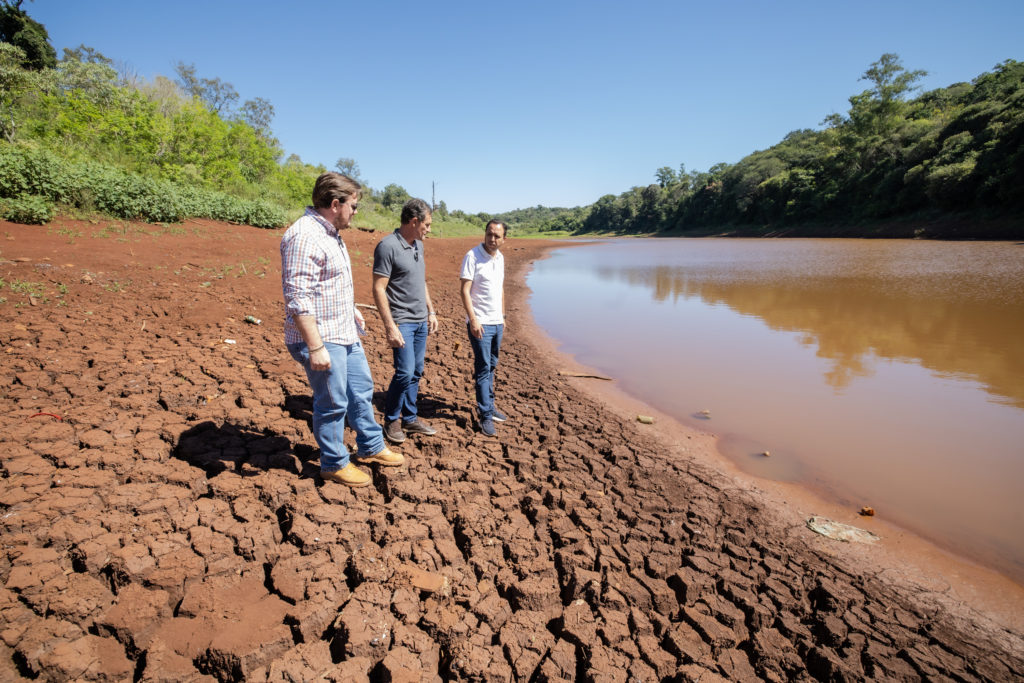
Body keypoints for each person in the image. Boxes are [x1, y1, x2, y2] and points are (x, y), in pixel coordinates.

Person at [281, 172, 404, 488]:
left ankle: (371, 446)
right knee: (332, 401)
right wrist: (316, 347)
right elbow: (298, 298)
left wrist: (350, 311)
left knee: (360, 390)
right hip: (322, 336)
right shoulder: (304, 236)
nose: (356, 212)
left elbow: (328, 282)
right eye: (354, 205)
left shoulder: (330, 232)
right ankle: (333, 463)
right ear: (335, 204)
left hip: (343, 329)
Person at [372, 198, 439, 444]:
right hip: (402, 321)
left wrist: (431, 311)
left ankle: (410, 418)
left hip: (421, 320)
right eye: (427, 225)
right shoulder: (387, 246)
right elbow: (379, 289)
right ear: (414, 221)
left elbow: (421, 281)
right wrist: (390, 327)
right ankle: (391, 420)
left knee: (416, 372)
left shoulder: (418, 245)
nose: (428, 230)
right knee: (404, 372)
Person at [460, 220, 508, 436]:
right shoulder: (473, 256)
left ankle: (489, 405)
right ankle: (485, 416)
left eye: (497, 236)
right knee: (482, 369)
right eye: (489, 234)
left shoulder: (501, 258)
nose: (492, 239)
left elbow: (500, 290)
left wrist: (503, 317)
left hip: (497, 322)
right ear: (485, 234)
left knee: (492, 367)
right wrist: (474, 319)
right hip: (480, 324)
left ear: (504, 239)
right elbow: (464, 290)